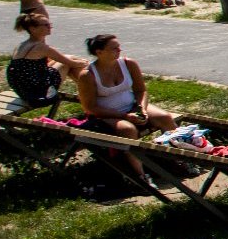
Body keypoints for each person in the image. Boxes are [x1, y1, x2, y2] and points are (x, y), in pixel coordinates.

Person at [75, 33, 178, 171]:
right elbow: (90, 107)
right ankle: (139, 173)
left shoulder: (129, 64)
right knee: (128, 130)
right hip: (106, 114)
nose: (119, 51)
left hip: (131, 106)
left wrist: (141, 108)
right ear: (99, 52)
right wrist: (123, 116)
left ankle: (175, 160)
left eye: (119, 47)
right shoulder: (87, 75)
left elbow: (141, 90)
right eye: (114, 49)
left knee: (165, 117)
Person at [7, 12, 82, 107]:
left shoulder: (22, 45)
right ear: (32, 28)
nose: (50, 27)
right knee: (68, 62)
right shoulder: (41, 47)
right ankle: (92, 92)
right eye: (46, 25)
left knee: (65, 59)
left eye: (50, 24)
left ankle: (90, 90)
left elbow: (47, 63)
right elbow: (72, 63)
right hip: (40, 95)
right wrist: (89, 63)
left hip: (24, 91)